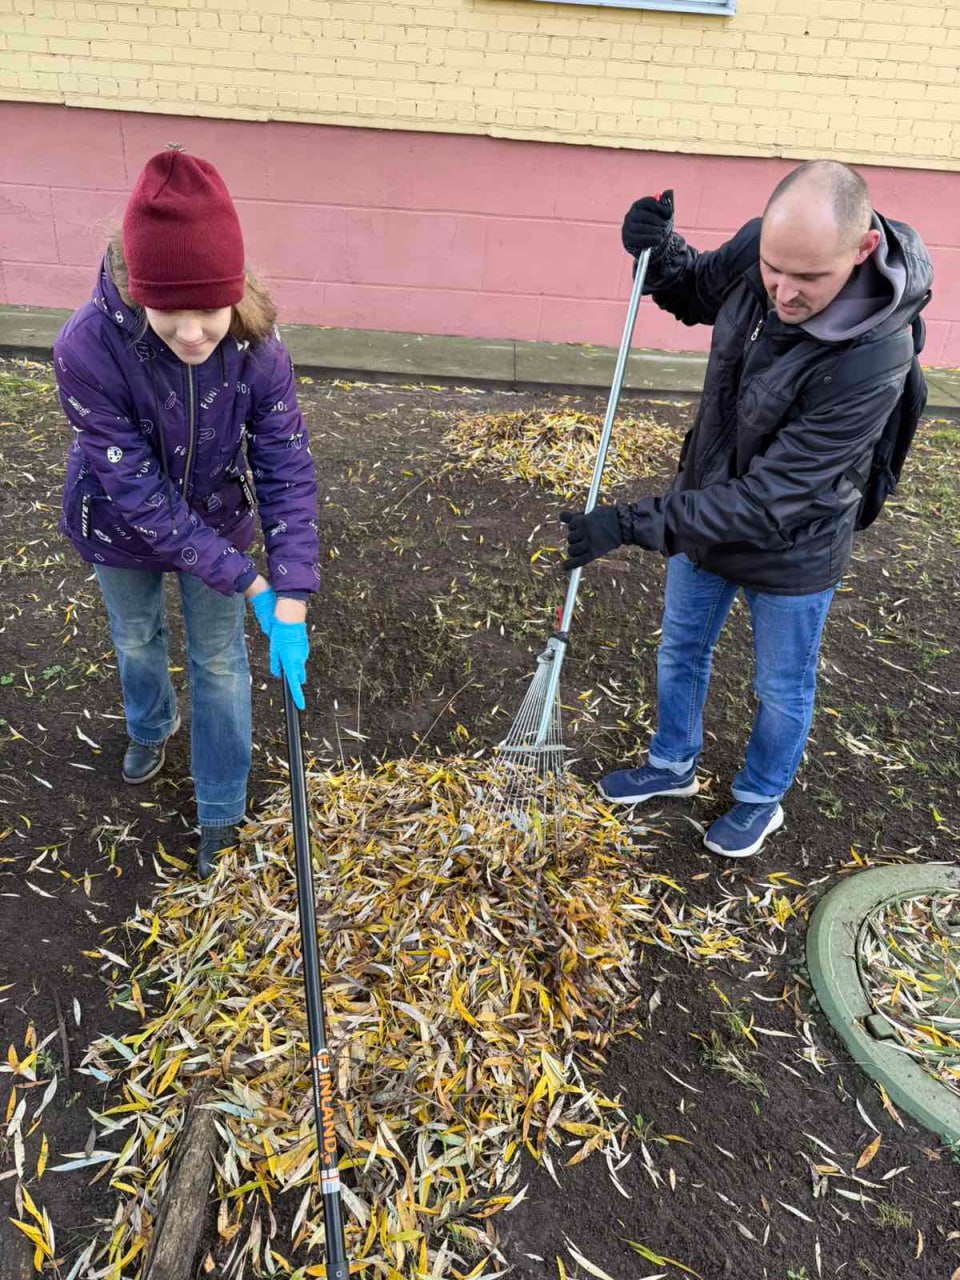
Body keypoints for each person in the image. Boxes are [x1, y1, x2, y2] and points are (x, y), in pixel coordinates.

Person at [561, 161, 932, 859]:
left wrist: (634, 523)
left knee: (780, 685)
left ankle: (761, 797)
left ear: (860, 250)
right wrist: (657, 252)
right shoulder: (767, 246)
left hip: (794, 542)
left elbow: (771, 500)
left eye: (808, 278)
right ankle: (672, 763)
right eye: (773, 270)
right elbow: (694, 289)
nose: (784, 292)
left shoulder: (875, 354)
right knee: (681, 649)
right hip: (705, 508)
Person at [54, 146, 320, 877]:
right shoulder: (87, 348)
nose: (195, 331)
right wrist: (250, 581)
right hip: (119, 523)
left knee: (220, 663)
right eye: (171, 311)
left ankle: (221, 809)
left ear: (234, 291)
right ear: (140, 293)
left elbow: (285, 464)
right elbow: (137, 491)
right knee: (136, 636)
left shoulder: (257, 348)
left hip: (218, 520)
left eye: (209, 308)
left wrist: (292, 589)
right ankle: (151, 724)